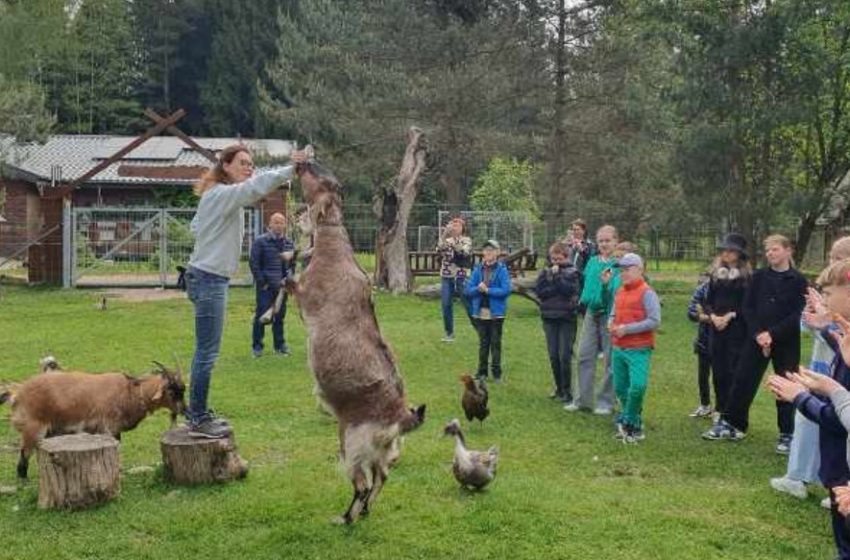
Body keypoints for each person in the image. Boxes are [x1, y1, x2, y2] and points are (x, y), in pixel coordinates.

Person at [184, 144, 307, 438]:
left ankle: (198, 412)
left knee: (206, 350)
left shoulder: (216, 195)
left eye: (251, 164)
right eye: (242, 163)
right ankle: (198, 418)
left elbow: (194, 227)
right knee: (207, 352)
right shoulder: (223, 195)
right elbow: (256, 187)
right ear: (225, 165)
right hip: (209, 279)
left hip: (205, 277)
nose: (249, 168)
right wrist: (291, 169)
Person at [766, 257, 850, 560]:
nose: (823, 300)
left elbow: (841, 418)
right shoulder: (846, 339)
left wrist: (800, 397)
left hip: (843, 466)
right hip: (838, 465)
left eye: (827, 294)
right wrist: (825, 325)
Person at [703, 234, 808, 453]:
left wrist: (773, 334)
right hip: (756, 338)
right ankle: (732, 423)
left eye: (775, 249)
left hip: (785, 341)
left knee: (784, 385)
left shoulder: (798, 280)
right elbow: (747, 307)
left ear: (788, 251)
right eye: (768, 250)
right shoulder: (758, 277)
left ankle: (787, 434)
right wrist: (759, 333)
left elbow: (798, 313)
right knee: (743, 379)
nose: (770, 254)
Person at [609, 253, 661, 443]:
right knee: (620, 388)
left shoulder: (647, 293)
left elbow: (655, 321)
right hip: (618, 348)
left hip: (639, 348)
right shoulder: (620, 291)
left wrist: (627, 329)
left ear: (640, 270)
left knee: (637, 386)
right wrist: (610, 322)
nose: (623, 273)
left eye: (627, 269)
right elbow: (613, 313)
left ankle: (630, 420)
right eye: (621, 270)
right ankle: (633, 422)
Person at [698, 233, 752, 418]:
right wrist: (713, 316)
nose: (726, 254)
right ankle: (720, 409)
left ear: (739, 254)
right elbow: (707, 301)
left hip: (737, 330)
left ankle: (733, 412)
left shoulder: (748, 279)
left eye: (731, 250)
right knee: (718, 372)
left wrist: (729, 316)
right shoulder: (716, 276)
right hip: (716, 329)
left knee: (733, 372)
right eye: (724, 250)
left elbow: (748, 305)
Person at [567, 225, 618, 414]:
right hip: (591, 313)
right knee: (584, 356)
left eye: (607, 240)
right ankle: (582, 400)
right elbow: (586, 286)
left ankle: (606, 402)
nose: (604, 244)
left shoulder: (618, 265)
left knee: (610, 361)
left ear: (615, 242)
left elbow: (613, 292)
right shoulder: (593, 261)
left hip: (610, 315)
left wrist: (605, 288)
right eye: (601, 241)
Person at [535, 242, 581, 402]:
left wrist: (556, 278)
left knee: (565, 355)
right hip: (549, 317)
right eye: (553, 259)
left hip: (566, 318)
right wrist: (553, 287)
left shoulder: (573, 272)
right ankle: (559, 388)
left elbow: (569, 291)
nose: (555, 262)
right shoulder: (545, 271)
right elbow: (540, 291)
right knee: (553, 355)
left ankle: (568, 391)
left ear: (565, 257)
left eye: (558, 259)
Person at [249, 212, 295, 358]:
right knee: (261, 316)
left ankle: (280, 346)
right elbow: (254, 264)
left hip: (282, 288)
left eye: (281, 222)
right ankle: (257, 347)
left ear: (285, 225)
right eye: (276, 222)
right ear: (270, 224)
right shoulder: (260, 241)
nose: (278, 225)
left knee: (279, 317)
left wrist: (288, 279)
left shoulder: (289, 243)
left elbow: (292, 265)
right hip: (266, 287)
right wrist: (262, 282)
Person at [465, 239, 512, 382]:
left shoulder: (502, 270)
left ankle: (496, 373)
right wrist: (478, 289)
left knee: (495, 343)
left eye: (492, 250)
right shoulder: (478, 269)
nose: (488, 253)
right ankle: (482, 372)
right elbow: (468, 290)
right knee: (483, 343)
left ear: (497, 253)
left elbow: (506, 290)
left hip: (496, 313)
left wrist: (488, 290)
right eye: (486, 250)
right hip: (481, 311)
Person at [436, 217, 473, 342]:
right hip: (447, 276)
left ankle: (480, 328)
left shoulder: (466, 240)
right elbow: (439, 249)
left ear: (462, 228)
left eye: (457, 225)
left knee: (467, 303)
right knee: (446, 304)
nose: (454, 227)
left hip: (461, 275)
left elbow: (464, 253)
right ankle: (449, 333)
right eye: (453, 225)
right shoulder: (446, 239)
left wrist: (454, 243)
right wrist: (445, 234)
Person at [686, 274, 713, 417]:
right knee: (703, 375)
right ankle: (705, 405)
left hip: (726, 343)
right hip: (704, 339)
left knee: (723, 378)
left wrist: (705, 315)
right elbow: (691, 312)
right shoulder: (703, 289)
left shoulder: (732, 289)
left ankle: (722, 411)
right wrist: (710, 318)